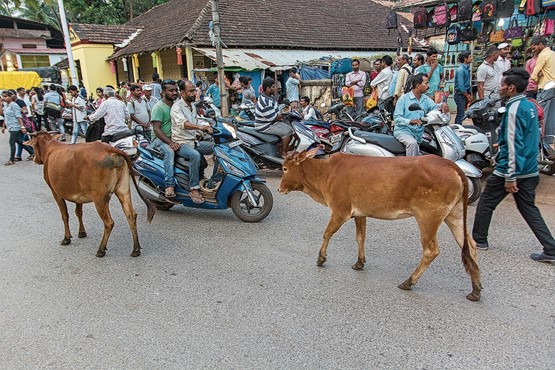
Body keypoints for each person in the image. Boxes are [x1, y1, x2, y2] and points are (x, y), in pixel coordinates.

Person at [472, 67, 555, 263]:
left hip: (510, 171)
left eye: (502, 85)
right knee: (528, 208)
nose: (499, 88)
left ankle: (478, 240)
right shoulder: (530, 106)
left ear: (511, 88)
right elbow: (527, 137)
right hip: (529, 168)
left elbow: (513, 144)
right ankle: (551, 248)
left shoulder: (513, 108)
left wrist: (510, 176)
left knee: (486, 203)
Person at [171, 80, 215, 204]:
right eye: (191, 91)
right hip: (181, 143)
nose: (194, 93)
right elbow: (184, 124)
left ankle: (215, 179)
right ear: (183, 92)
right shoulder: (177, 107)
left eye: (194, 90)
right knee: (195, 156)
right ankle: (194, 188)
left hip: (194, 141)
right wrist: (200, 128)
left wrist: (209, 124)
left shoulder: (192, 106)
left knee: (217, 148)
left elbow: (197, 121)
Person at [393, 73, 449, 156]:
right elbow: (397, 118)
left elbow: (434, 107)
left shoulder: (425, 99)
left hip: (418, 133)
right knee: (412, 143)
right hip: (403, 131)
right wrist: (410, 121)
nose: (428, 86)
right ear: (418, 85)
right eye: (426, 83)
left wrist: (442, 105)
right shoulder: (403, 99)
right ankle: (411, 167)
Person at [148, 80, 179, 198]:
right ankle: (169, 185)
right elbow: (156, 129)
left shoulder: (176, 106)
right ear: (163, 92)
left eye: (176, 90)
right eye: (171, 90)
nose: (174, 93)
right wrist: (170, 143)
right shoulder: (159, 107)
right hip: (158, 140)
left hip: (174, 137)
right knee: (169, 152)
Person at [254, 77, 293, 157]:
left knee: (290, 127)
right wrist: (287, 113)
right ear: (268, 88)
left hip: (272, 122)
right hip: (265, 125)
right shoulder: (265, 102)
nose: (276, 88)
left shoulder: (270, 97)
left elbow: (276, 109)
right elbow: (274, 117)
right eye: (274, 87)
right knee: (288, 132)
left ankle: (282, 147)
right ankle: (284, 153)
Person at [530, 37, 555, 137]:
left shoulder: (543, 55)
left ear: (540, 45)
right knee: (551, 115)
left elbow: (534, 74)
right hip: (553, 86)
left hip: (545, 86)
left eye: (534, 48)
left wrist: (535, 79)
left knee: (541, 114)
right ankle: (549, 138)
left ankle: (539, 138)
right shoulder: (553, 54)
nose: (533, 50)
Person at [0, 90, 33, 165]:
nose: (4, 98)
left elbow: (19, 117)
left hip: (15, 126)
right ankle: (32, 153)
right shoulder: (6, 105)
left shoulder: (14, 105)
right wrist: (3, 126)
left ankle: (11, 160)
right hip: (10, 126)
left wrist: (22, 126)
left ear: (10, 97)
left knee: (12, 142)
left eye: (5, 96)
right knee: (20, 142)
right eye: (3, 96)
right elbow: (5, 116)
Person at [454, 51, 473, 125]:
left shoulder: (466, 69)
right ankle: (456, 128)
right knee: (460, 114)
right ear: (465, 59)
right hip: (460, 95)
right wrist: (467, 96)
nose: (471, 58)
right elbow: (461, 86)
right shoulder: (461, 70)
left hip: (463, 94)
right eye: (470, 57)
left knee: (462, 113)